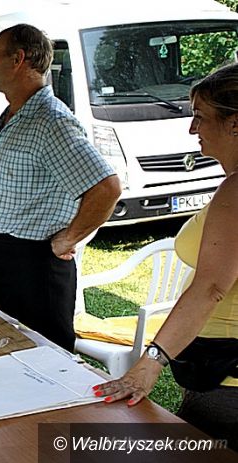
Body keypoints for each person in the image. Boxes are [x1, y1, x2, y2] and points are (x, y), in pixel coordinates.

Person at [96, 63, 238, 451]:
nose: (193, 129)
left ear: (234, 124)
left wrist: (149, 363)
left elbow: (211, 287)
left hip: (226, 384)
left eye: (200, 117)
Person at [0, 24, 121, 351]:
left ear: (18, 59)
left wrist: (68, 238)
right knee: (11, 350)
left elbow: (107, 187)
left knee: (46, 356)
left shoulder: (50, 120)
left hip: (34, 265)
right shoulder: (15, 113)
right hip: (6, 258)